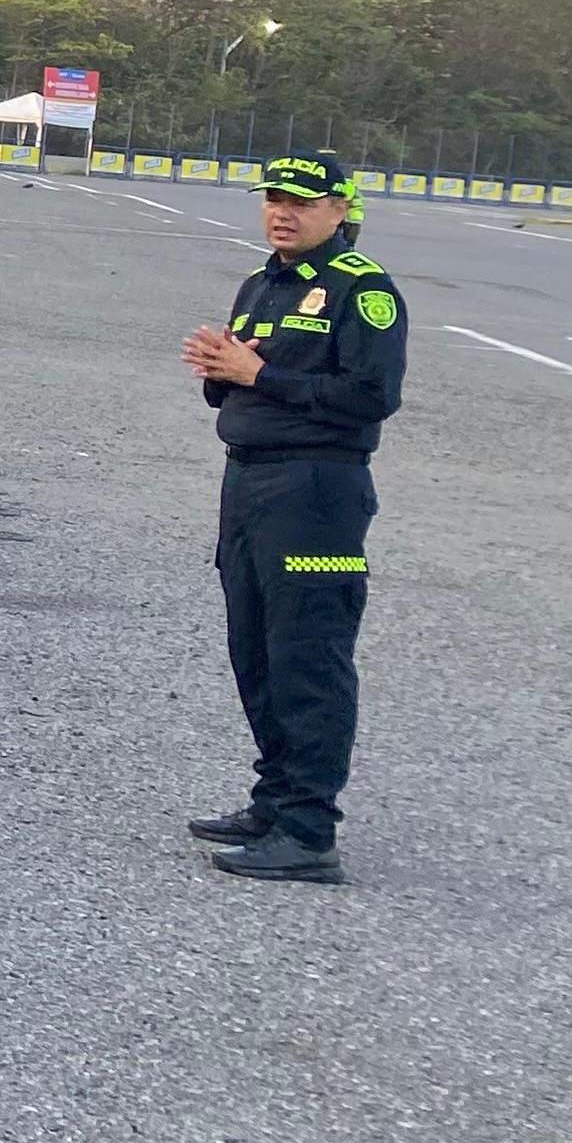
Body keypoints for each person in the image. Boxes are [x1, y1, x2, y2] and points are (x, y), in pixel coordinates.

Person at [180, 151, 405, 884]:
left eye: (303, 202)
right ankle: (274, 801)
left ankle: (310, 832)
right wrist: (224, 374)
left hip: (316, 493)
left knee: (308, 655)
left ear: (340, 210)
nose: (283, 211)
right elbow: (246, 394)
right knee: (257, 650)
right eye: (274, 197)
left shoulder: (363, 292)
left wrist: (260, 375)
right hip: (248, 484)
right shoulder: (261, 284)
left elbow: (371, 397)